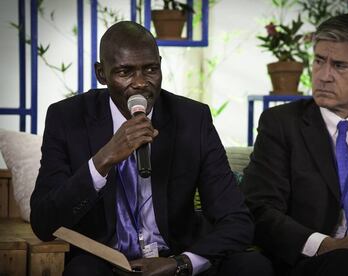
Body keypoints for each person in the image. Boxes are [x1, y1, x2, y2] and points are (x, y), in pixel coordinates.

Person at [30, 21, 274, 276]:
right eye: (125, 72)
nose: (140, 83)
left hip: (177, 259)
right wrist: (103, 160)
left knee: (252, 267)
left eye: (150, 69)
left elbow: (237, 220)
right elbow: (43, 222)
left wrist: (182, 263)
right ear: (101, 74)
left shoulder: (192, 118)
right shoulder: (67, 118)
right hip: (105, 262)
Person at [242, 13, 348, 276]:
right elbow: (260, 209)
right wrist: (327, 245)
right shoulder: (281, 124)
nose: (323, 76)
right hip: (320, 262)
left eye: (340, 66)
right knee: (346, 264)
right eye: (319, 61)